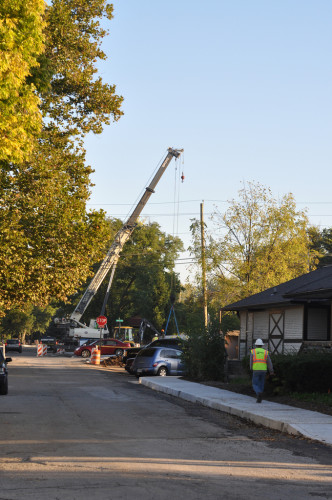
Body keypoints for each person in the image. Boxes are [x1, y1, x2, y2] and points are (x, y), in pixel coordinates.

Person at [250, 338, 274, 403]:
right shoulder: (265, 352)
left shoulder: (253, 352)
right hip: (263, 370)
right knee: (261, 383)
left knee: (254, 383)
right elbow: (269, 362)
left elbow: (251, 361)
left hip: (256, 370)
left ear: (256, 345)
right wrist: (271, 371)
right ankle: (260, 393)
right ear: (262, 345)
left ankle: (258, 393)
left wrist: (251, 368)